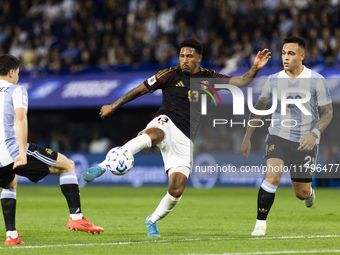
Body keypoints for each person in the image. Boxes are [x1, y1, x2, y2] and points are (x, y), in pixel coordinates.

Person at [82, 39, 271, 237]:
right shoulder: (170, 74)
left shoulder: (210, 77)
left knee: (177, 188)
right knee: (155, 134)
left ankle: (152, 220)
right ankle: (103, 167)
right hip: (166, 121)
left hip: (185, 137)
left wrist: (255, 68)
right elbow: (140, 89)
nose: (184, 60)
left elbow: (241, 81)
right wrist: (114, 105)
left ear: (199, 57)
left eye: (189, 56)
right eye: (182, 56)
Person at [0, 54, 104, 245]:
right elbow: (21, 119)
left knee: (10, 182)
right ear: (11, 72)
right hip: (10, 151)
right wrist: (22, 153)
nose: (19, 76)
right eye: (19, 72)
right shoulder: (16, 90)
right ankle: (76, 217)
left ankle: (11, 235)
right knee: (67, 165)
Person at [241, 37, 333, 236]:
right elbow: (259, 108)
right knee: (272, 177)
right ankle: (260, 225)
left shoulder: (316, 79)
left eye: (291, 53)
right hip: (278, 137)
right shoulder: (273, 80)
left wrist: (314, 133)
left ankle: (309, 194)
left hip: (306, 142)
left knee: (301, 193)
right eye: (283, 53)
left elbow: (328, 112)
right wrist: (247, 136)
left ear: (302, 56)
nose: (285, 57)